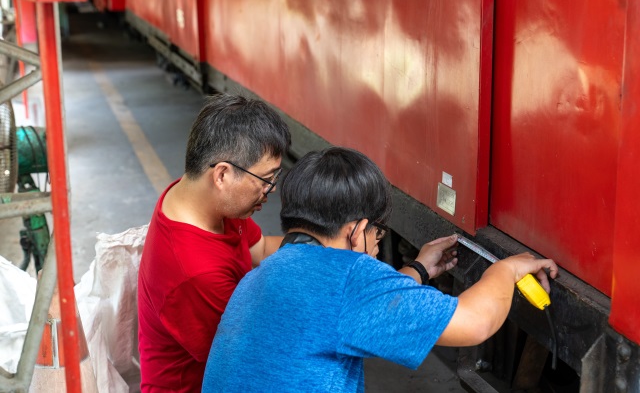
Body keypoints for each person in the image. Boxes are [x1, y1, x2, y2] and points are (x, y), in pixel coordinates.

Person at [201, 146, 558, 393]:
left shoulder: (265, 273)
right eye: (378, 233)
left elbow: (351, 310)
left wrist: (417, 269)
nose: (376, 243)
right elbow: (475, 323)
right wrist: (508, 269)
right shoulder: (347, 276)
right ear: (356, 231)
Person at [137, 93, 291, 392]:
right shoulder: (195, 271)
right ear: (222, 174)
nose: (269, 190)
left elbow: (258, 250)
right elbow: (248, 363)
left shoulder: (206, 201)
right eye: (265, 179)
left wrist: (328, 247)